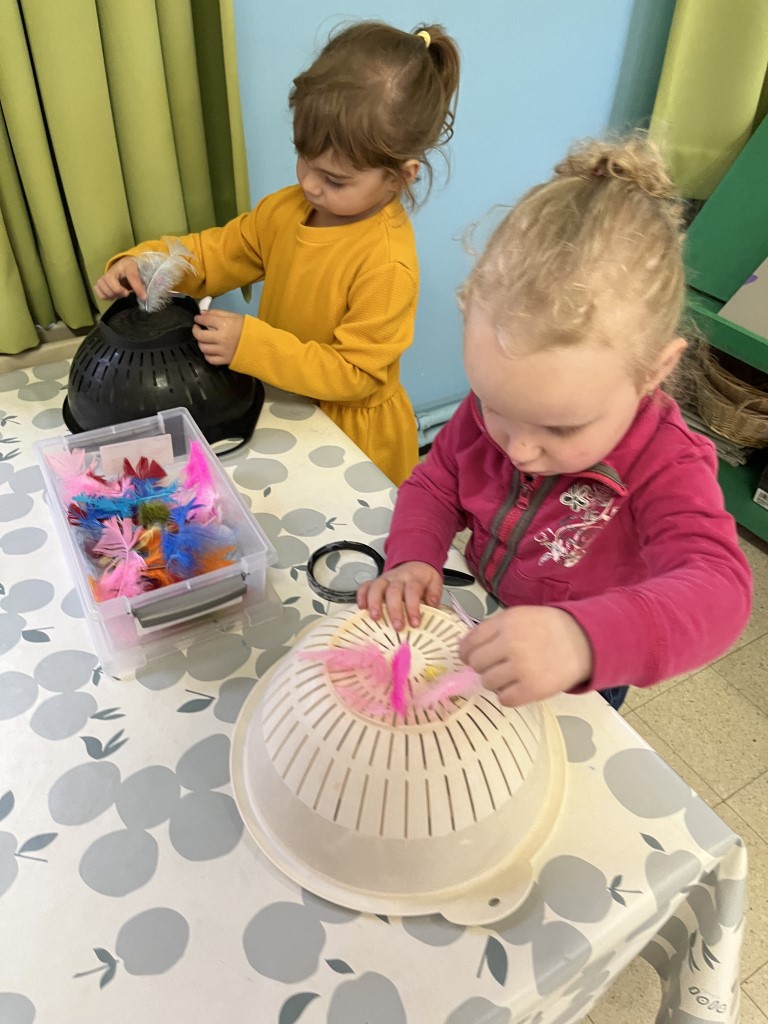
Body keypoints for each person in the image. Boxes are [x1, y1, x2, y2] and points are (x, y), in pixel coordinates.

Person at [358, 133, 752, 710]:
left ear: (654, 371)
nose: (518, 448)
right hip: (495, 613)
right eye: (495, 406)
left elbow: (719, 590)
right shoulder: (505, 410)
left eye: (561, 429)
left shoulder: (666, 463)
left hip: (587, 665)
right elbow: (437, 483)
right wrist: (414, 557)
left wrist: (584, 641)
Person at [93, 21, 461, 486]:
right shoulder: (288, 209)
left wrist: (252, 346)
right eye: (304, 158)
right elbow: (214, 253)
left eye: (335, 180)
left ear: (401, 176)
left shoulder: (387, 264)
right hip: (285, 401)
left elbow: (356, 374)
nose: (310, 184)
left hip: (351, 435)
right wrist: (145, 263)